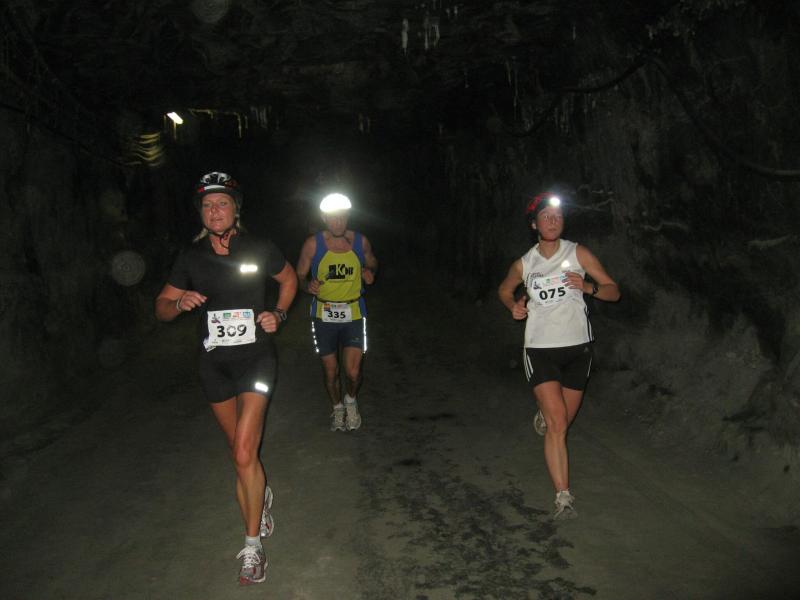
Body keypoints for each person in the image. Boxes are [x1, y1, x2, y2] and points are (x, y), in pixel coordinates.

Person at [154, 172, 297, 585]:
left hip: (256, 360)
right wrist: (179, 302)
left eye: (222, 203)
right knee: (241, 455)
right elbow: (161, 307)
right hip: (214, 364)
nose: (214, 211)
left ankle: (253, 547)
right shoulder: (190, 257)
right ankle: (259, 493)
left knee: (244, 453)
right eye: (207, 205)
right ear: (200, 213)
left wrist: (279, 314)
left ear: (236, 208)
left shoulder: (259, 247)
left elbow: (289, 280)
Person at [497, 192, 620, 520]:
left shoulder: (578, 253)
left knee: (563, 421)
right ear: (534, 224)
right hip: (540, 350)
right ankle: (563, 497)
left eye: (558, 216)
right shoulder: (525, 263)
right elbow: (504, 290)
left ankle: (544, 411)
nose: (553, 221)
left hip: (578, 349)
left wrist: (588, 287)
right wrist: (514, 306)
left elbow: (613, 290)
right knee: (557, 424)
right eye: (546, 217)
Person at [295, 193, 378, 432]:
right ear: (324, 218)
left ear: (348, 216)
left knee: (353, 372)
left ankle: (351, 401)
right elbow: (299, 275)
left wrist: (370, 272)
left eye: (342, 217)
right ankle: (337, 407)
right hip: (324, 314)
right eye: (333, 217)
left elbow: (373, 262)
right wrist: (307, 285)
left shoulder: (361, 242)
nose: (338, 222)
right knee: (331, 372)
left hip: (354, 312)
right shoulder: (313, 244)